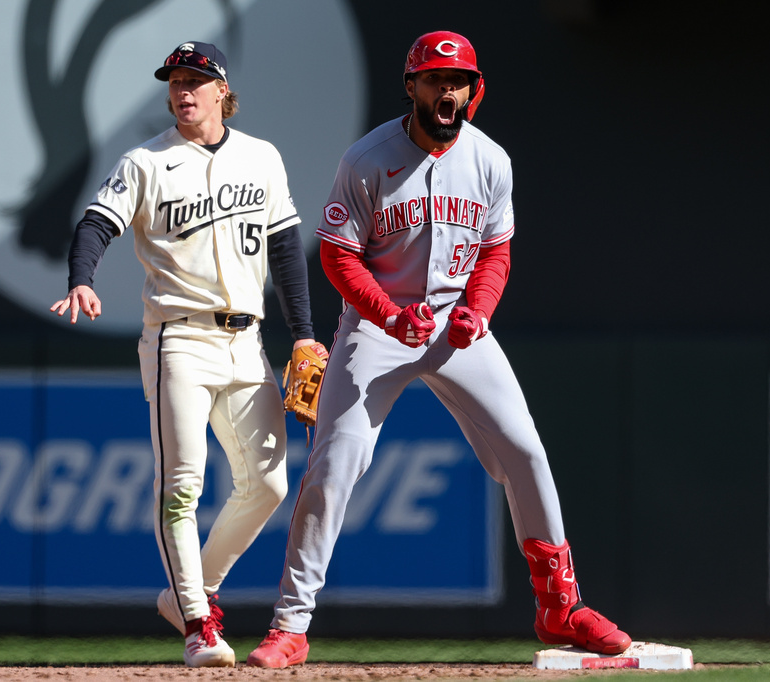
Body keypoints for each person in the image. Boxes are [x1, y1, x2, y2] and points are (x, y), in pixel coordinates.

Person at [246, 31, 631, 668]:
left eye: (457, 81)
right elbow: (340, 256)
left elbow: (494, 253)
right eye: (433, 80)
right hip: (376, 328)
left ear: (473, 89)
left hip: (456, 324)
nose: (446, 92)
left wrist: (478, 312)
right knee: (334, 464)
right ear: (412, 86)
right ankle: (291, 625)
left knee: (526, 451)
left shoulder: (490, 160)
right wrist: (388, 315)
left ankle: (560, 606)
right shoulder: (368, 157)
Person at [50, 41, 324, 668]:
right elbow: (95, 223)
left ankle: (191, 591)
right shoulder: (146, 162)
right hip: (179, 337)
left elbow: (285, 251)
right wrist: (81, 278)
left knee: (269, 484)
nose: (183, 89)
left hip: (247, 340)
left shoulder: (261, 157)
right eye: (175, 79)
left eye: (197, 79)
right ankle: (199, 625)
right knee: (182, 487)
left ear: (223, 91)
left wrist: (304, 333)